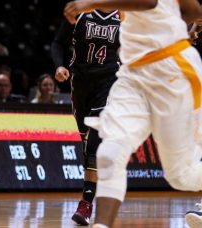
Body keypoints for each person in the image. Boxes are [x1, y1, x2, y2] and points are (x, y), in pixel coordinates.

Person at [64, 0, 202, 228]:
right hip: (132, 73)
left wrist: (89, 3)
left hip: (171, 70)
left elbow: (150, 2)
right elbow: (193, 12)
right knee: (109, 152)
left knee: (181, 176)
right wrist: (178, 26)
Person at [52, 6, 121, 225]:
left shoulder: (124, 15)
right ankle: (94, 189)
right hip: (80, 84)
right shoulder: (80, 11)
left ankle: (86, 202)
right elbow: (57, 43)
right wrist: (59, 65)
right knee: (86, 144)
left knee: (93, 142)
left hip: (109, 82)